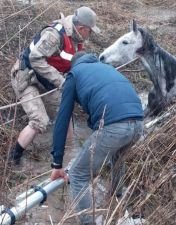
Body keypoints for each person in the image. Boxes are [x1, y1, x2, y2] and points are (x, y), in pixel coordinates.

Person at [50, 52, 144, 225]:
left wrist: (57, 163)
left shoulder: (74, 74)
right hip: (138, 123)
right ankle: (115, 204)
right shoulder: (105, 68)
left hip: (114, 125)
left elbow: (62, 119)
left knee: (78, 175)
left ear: (73, 65)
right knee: (117, 159)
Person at [9, 6, 100, 165]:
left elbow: (74, 64)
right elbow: (35, 59)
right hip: (26, 78)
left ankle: (69, 151)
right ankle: (14, 159)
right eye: (90, 31)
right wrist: (61, 81)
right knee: (40, 121)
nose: (90, 35)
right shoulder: (54, 35)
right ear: (81, 28)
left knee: (64, 109)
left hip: (45, 80)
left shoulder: (77, 39)